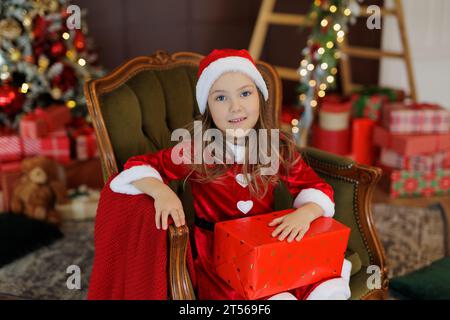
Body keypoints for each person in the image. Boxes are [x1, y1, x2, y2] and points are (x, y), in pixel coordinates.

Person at [107, 49, 351, 300]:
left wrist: (306, 212)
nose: (235, 107)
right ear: (208, 108)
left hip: (267, 244)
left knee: (320, 287)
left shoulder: (276, 147)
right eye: (221, 98)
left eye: (245, 93)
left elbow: (315, 187)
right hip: (219, 257)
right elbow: (138, 165)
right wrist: (161, 191)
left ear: (259, 97)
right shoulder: (198, 150)